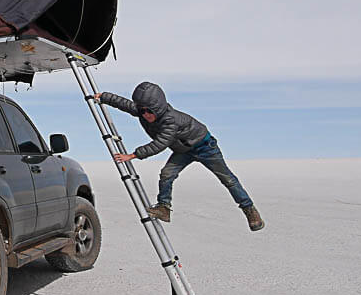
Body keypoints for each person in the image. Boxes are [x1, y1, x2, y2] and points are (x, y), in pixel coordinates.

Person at [95, 82, 264, 231]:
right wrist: (104, 97)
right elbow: (124, 104)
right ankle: (164, 208)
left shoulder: (170, 120)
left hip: (205, 147)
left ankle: (250, 211)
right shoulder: (142, 111)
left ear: (159, 108)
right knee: (166, 174)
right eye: (142, 110)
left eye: (149, 111)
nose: (145, 114)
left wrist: (133, 155)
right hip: (183, 150)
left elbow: (161, 143)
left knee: (228, 179)